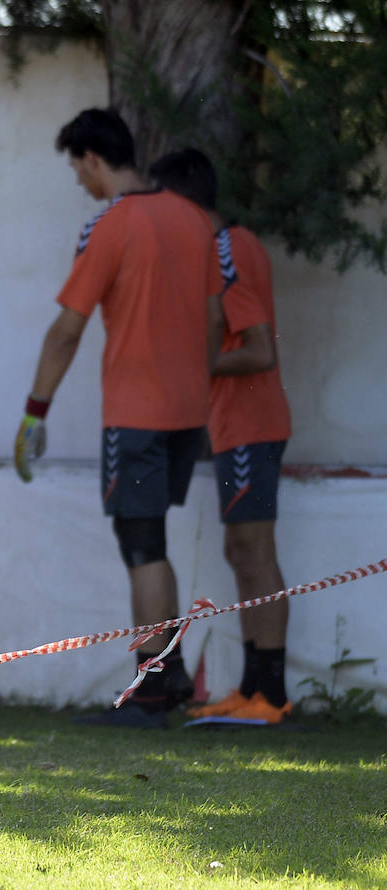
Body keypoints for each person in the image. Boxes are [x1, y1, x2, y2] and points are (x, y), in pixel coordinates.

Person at [14, 109, 223, 728]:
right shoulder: (193, 218)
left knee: (141, 545)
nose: (79, 180)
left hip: (136, 412)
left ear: (92, 159)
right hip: (187, 409)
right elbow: (215, 320)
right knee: (152, 538)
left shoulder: (110, 226)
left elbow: (66, 332)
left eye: (77, 166)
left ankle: (154, 686)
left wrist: (35, 413)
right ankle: (172, 672)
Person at [148, 149, 294, 725]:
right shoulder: (230, 245)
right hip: (238, 428)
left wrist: (192, 364)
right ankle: (254, 687)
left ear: (183, 201)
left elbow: (259, 349)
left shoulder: (226, 250)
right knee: (242, 552)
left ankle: (272, 695)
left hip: (253, 426)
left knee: (256, 554)